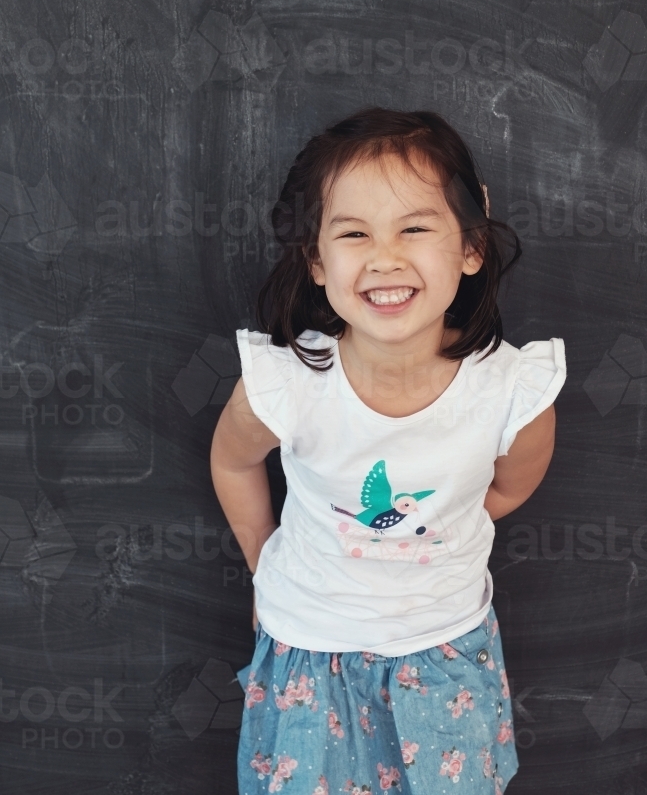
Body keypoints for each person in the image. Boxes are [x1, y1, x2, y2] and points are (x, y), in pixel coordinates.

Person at [210, 108, 566, 794]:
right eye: (352, 234)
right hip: (308, 654)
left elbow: (506, 489)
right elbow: (232, 460)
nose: (384, 258)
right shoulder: (285, 386)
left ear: (469, 246)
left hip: (442, 654)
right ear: (317, 260)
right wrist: (264, 565)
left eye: (414, 228)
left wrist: (437, 527)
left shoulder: (511, 395)